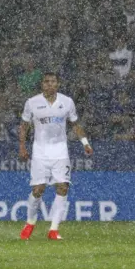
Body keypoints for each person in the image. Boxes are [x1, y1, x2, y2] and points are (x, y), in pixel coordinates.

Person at [18, 73, 93, 241]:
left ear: (58, 84)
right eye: (46, 81)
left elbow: (75, 124)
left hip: (60, 151)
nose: (50, 84)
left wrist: (85, 143)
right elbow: (23, 126)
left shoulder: (67, 102)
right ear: (42, 84)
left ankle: (53, 229)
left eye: (53, 82)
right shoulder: (32, 103)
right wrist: (22, 147)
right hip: (40, 151)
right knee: (38, 190)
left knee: (63, 187)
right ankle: (30, 223)